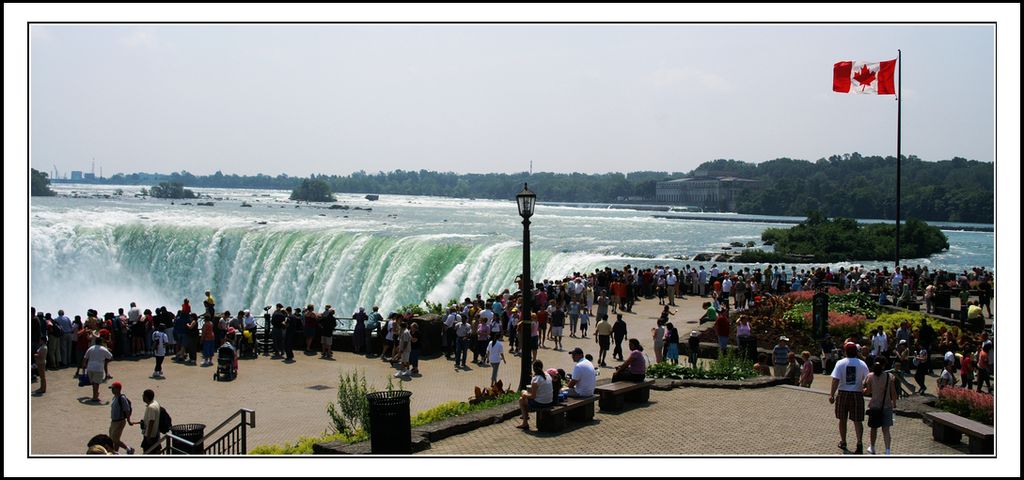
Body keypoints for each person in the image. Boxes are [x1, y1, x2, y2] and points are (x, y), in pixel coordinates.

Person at [829, 342, 869, 454]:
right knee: (857, 420)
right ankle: (859, 442)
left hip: (843, 393)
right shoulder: (862, 364)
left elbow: (835, 380)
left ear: (845, 351)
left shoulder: (840, 363)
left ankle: (843, 441)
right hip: (857, 393)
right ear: (856, 352)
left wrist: (831, 394)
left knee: (842, 419)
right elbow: (868, 379)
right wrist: (866, 390)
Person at [863, 360, 897, 455]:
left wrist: (863, 390)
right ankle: (887, 451)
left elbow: (868, 391)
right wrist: (894, 404)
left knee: (873, 428)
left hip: (874, 406)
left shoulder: (870, 376)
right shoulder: (889, 376)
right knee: (886, 430)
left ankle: (872, 447)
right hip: (886, 406)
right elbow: (893, 392)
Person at [81, 337, 113, 402]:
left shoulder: (91, 348)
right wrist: (105, 360)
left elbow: (85, 358)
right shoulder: (103, 349)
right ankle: (95, 397)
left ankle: (95, 395)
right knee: (96, 383)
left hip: (90, 367)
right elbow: (110, 357)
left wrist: (84, 366)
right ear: (101, 342)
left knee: (93, 382)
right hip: (98, 368)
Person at [108, 381, 135, 455]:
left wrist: (129, 420)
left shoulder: (122, 398)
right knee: (114, 438)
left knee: (114, 439)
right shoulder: (114, 397)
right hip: (114, 421)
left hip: (120, 421)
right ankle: (115, 452)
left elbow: (127, 410)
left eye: (113, 389)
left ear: (118, 389)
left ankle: (128, 449)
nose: (112, 390)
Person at [140, 389, 161, 454]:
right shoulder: (155, 403)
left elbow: (151, 421)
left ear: (146, 397)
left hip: (150, 436)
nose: (142, 396)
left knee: (148, 453)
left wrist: (148, 437)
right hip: (156, 433)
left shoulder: (151, 407)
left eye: (143, 395)